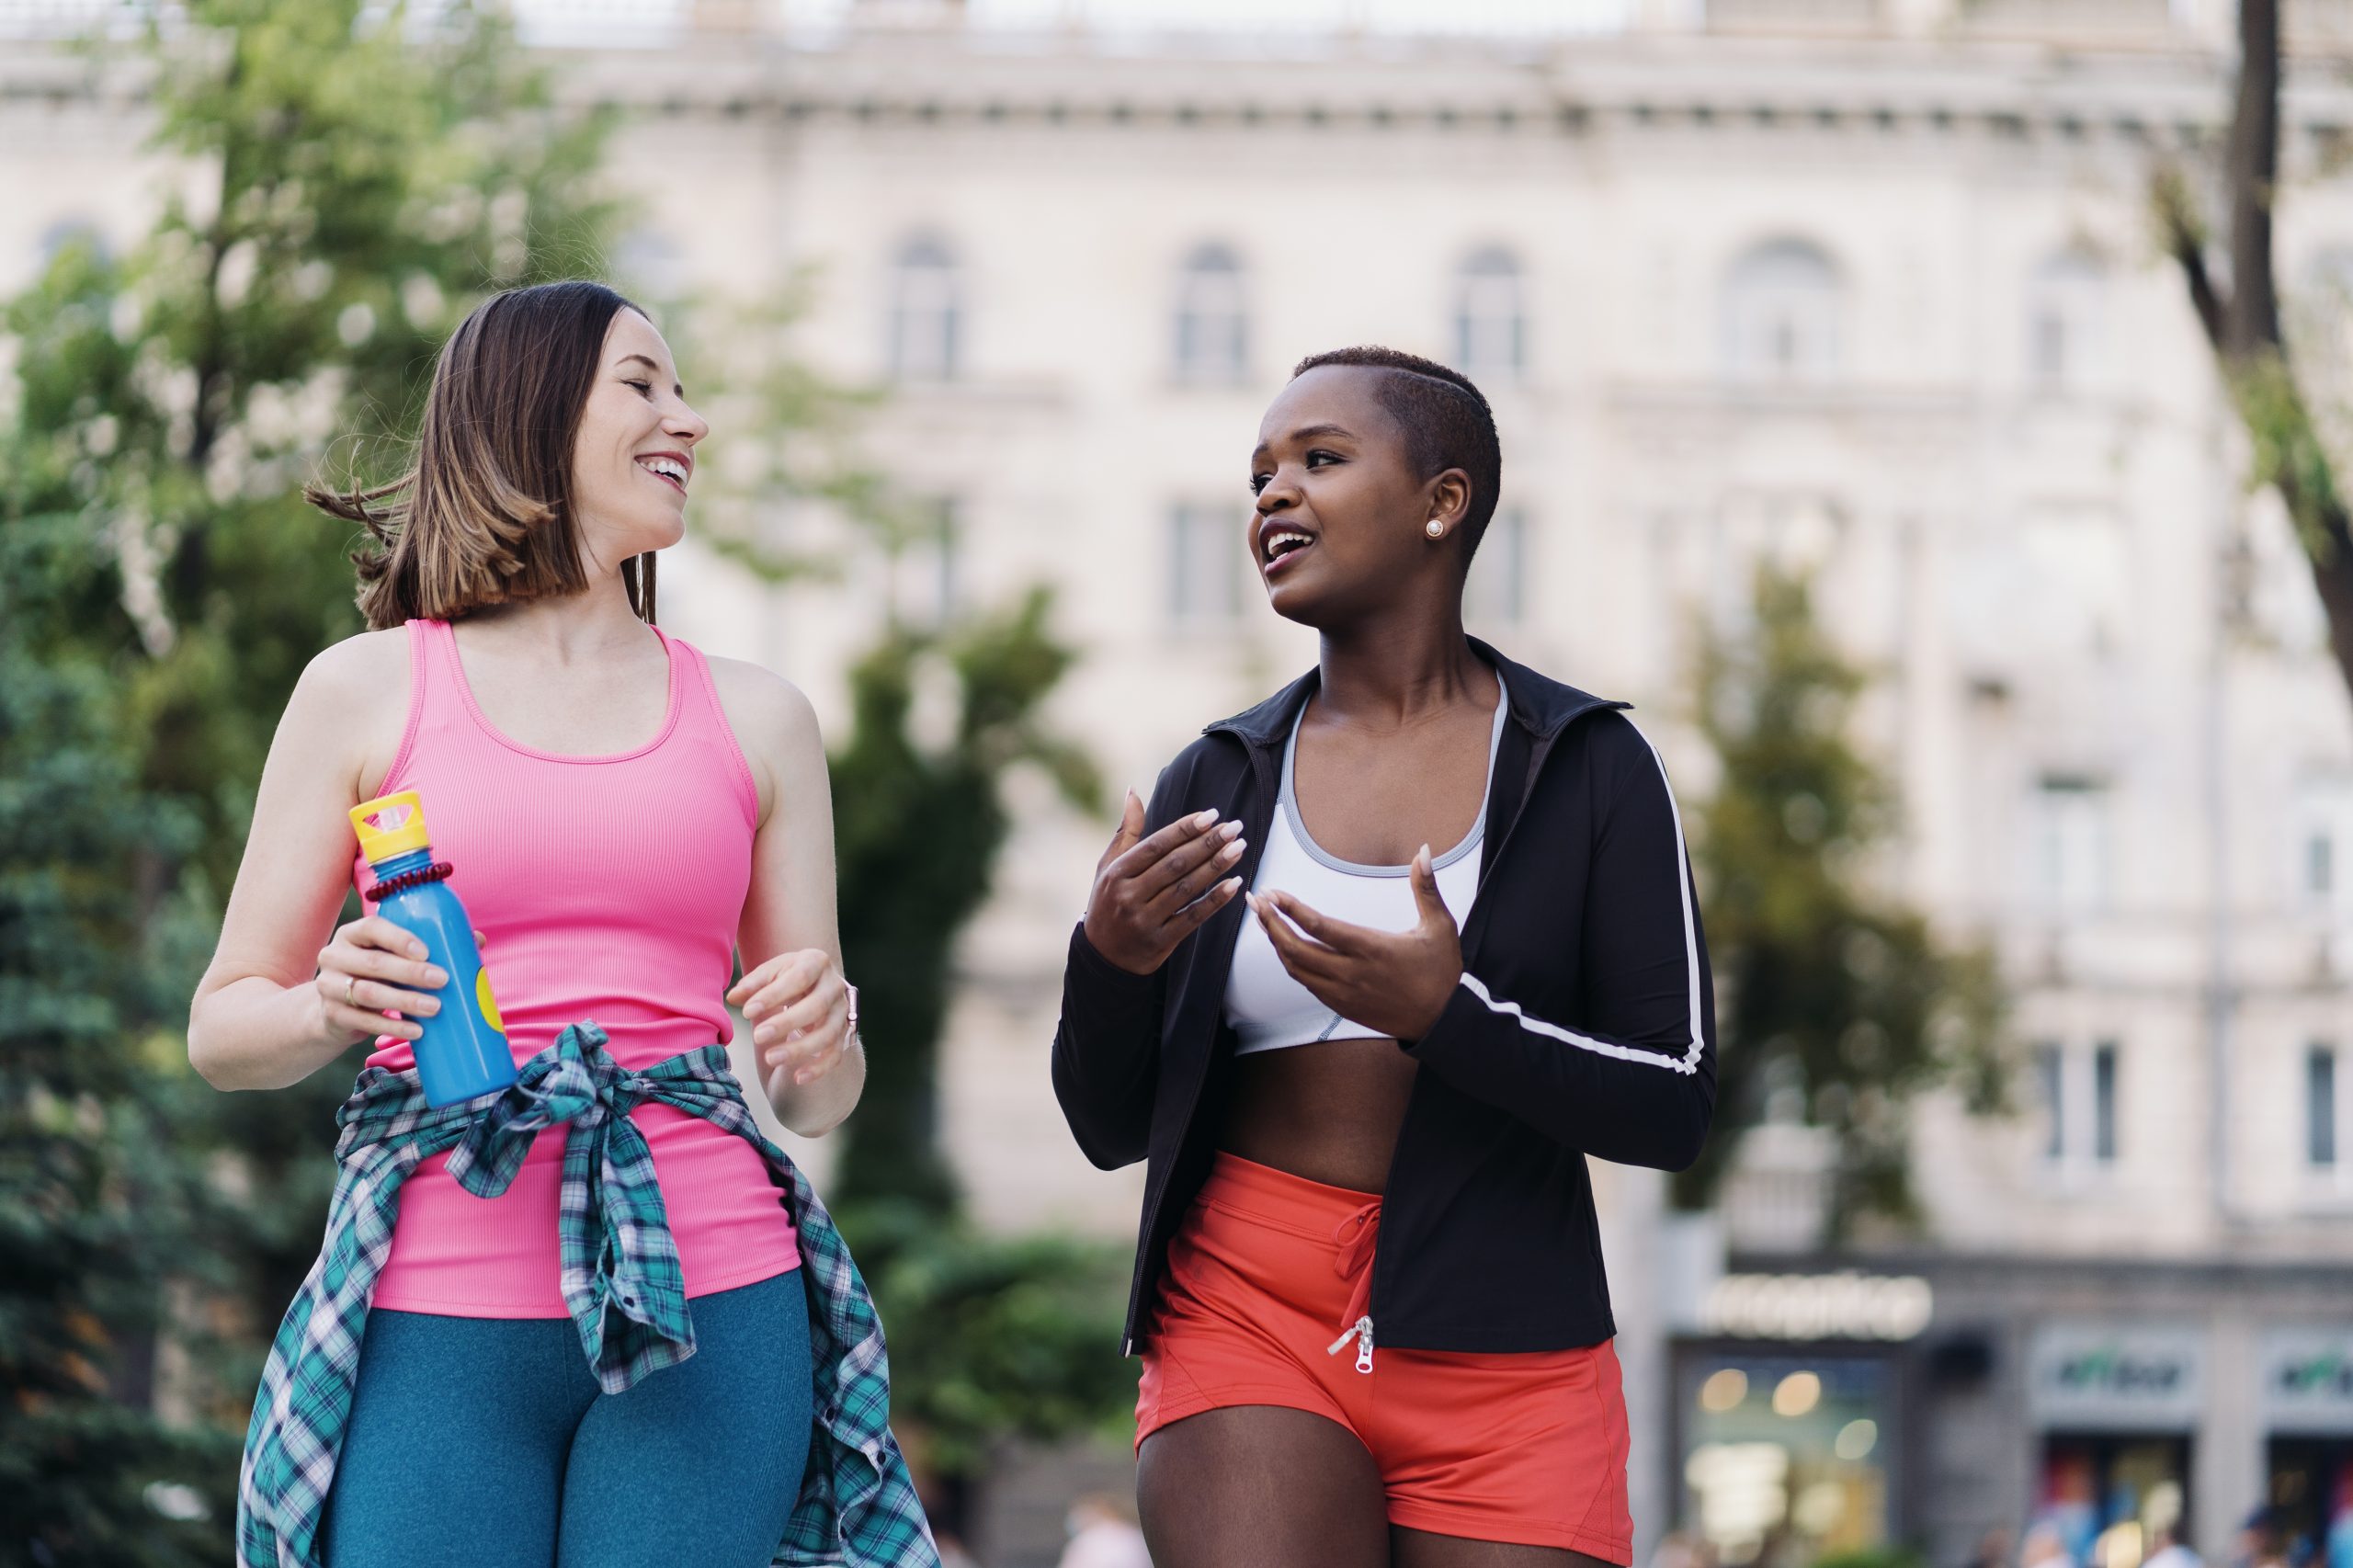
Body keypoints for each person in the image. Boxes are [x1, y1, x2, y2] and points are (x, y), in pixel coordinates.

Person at [189, 281, 935, 1568]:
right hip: (435, 1307)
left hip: (712, 1301)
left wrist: (827, 1028)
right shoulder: (366, 689)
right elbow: (220, 1027)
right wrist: (324, 1003)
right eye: (644, 384)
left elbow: (814, 1096)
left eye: (684, 390)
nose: (687, 421)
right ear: (530, 410)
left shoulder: (761, 718)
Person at [1051, 346, 1718, 1567]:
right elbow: (1107, 1125)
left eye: (1319, 458)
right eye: (1259, 472)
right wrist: (1110, 960)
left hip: (1508, 1334)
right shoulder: (1212, 778)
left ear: (1442, 500)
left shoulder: (1588, 766)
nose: (1272, 494)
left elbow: (1672, 1101)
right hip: (1246, 1303)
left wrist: (1450, 1014)